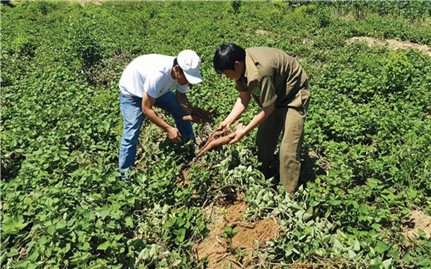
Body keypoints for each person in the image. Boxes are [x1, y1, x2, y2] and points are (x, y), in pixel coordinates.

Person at [213, 44, 310, 193]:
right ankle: (261, 175)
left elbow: (268, 108)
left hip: (293, 95)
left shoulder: (260, 72)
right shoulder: (242, 67)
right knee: (263, 141)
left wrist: (243, 132)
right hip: (274, 95)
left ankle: (287, 195)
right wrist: (227, 121)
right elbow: (244, 98)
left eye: (226, 74)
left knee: (288, 150)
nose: (226, 78)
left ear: (237, 65)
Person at [118, 50, 209, 179]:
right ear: (177, 69)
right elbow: (146, 108)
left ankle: (189, 150)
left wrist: (191, 112)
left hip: (157, 91)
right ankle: (125, 177)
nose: (188, 82)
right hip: (133, 92)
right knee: (131, 132)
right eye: (187, 78)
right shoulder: (158, 74)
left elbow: (181, 96)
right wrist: (168, 129)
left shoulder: (180, 72)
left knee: (179, 110)